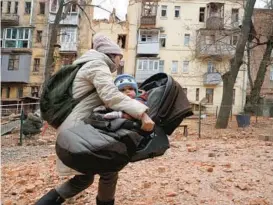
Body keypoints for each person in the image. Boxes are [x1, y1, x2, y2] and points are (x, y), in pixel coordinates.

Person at [36, 33, 155, 205]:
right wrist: (142, 113)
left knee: (85, 178)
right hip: (77, 129)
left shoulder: (87, 65)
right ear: (112, 55)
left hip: (74, 128)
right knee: (109, 167)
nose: (119, 63)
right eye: (119, 58)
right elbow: (111, 95)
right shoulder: (97, 65)